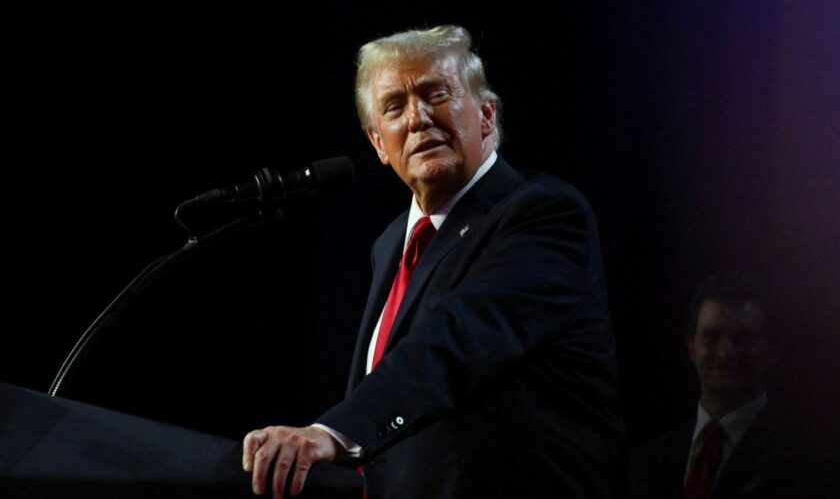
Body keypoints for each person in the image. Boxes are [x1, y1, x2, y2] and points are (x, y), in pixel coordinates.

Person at [243, 25, 624, 498]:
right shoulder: (389, 246)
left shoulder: (542, 214)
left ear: (486, 114)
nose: (418, 118)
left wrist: (336, 432)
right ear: (378, 143)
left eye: (435, 94)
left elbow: (456, 341)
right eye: (394, 108)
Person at [628, 273, 832, 498]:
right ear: (691, 348)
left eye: (744, 338)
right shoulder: (648, 461)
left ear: (772, 351)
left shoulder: (809, 459)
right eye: (711, 337)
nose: (727, 353)